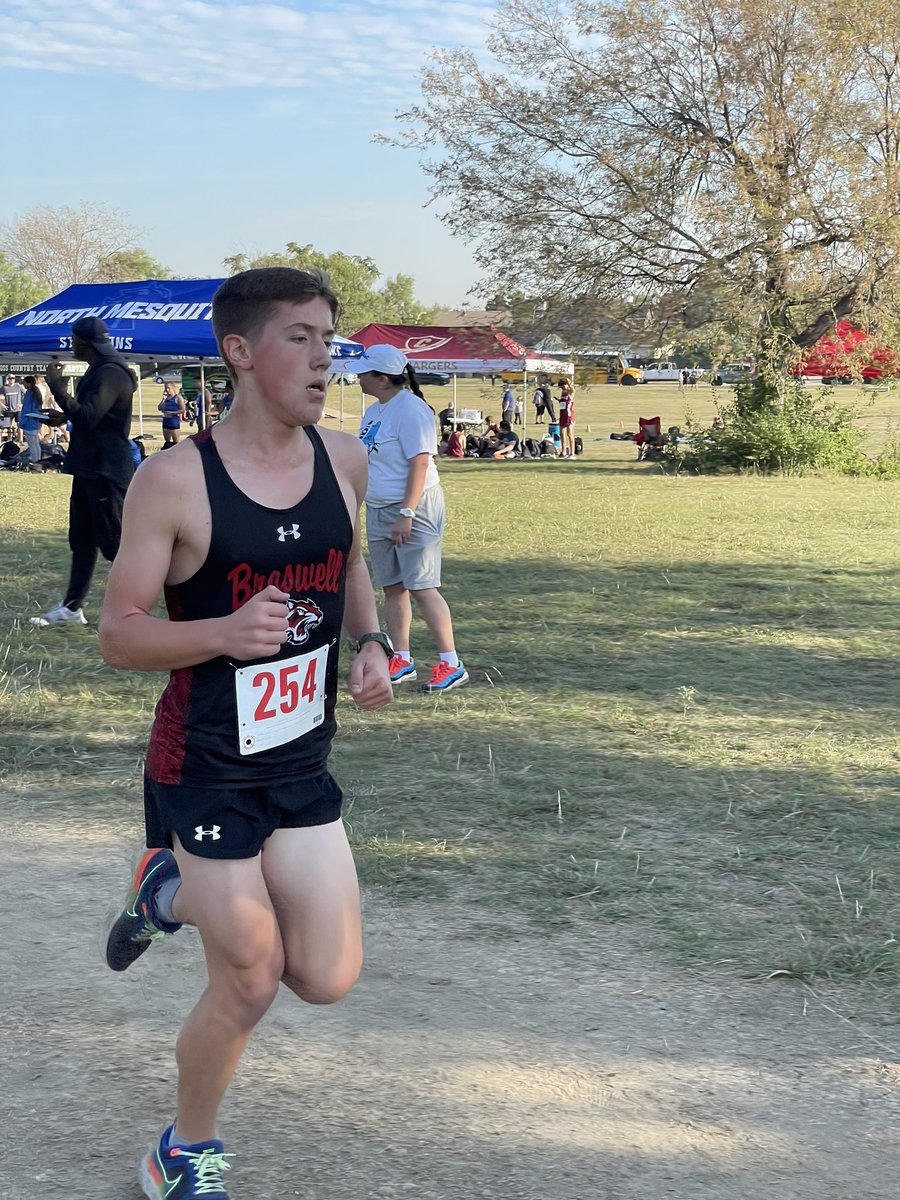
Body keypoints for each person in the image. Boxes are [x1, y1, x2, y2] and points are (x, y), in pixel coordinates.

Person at [99, 267, 393, 1200]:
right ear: (240, 352)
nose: (325, 358)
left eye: (329, 339)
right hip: (206, 767)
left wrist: (373, 641)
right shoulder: (175, 479)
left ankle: (164, 885)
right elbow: (119, 633)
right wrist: (223, 634)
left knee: (329, 975)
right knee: (253, 976)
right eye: (301, 338)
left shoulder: (343, 458)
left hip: (301, 761)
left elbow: (344, 562)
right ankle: (182, 1153)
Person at [357, 344, 468, 693]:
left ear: (382, 378)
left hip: (413, 508)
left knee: (422, 586)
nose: (357, 377)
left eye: (364, 371)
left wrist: (406, 512)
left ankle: (451, 662)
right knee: (392, 586)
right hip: (380, 507)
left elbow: (420, 462)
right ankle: (401, 658)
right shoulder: (374, 411)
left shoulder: (411, 410)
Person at [31, 317, 136, 627]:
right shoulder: (101, 370)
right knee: (82, 538)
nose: (71, 345)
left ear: (83, 343)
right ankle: (71, 607)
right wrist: (63, 417)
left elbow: (89, 417)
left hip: (105, 469)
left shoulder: (111, 373)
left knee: (113, 543)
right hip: (90, 468)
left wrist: (57, 389)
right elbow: (95, 416)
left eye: (74, 340)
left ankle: (137, 610)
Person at [18, 375, 45, 465]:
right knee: (36, 443)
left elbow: (26, 409)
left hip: (29, 421)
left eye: (24, 382)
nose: (23, 384)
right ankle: (38, 460)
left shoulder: (29, 393)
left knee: (32, 445)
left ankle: (35, 462)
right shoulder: (37, 392)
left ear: (28, 383)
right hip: (36, 420)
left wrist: (22, 422)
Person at [158, 382, 187, 446]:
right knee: (167, 442)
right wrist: (163, 399)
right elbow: (159, 408)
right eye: (166, 388)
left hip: (174, 422)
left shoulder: (178, 397)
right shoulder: (166, 398)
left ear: (173, 388)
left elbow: (183, 409)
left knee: (175, 442)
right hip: (166, 421)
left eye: (168, 388)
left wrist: (173, 413)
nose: (167, 390)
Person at [1, 373, 24, 442]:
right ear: (8, 379)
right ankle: (9, 439)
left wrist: (22, 403)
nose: (12, 380)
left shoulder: (18, 386)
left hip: (18, 410)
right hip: (8, 410)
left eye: (13, 378)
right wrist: (2, 405)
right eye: (10, 379)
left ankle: (21, 440)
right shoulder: (4, 388)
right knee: (8, 426)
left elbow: (26, 393)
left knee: (20, 425)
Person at [558, 381, 576, 458]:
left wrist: (569, 383)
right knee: (562, 434)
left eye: (563, 386)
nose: (562, 388)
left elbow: (572, 390)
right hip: (562, 415)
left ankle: (572, 453)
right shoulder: (563, 393)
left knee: (569, 434)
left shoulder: (570, 391)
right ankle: (563, 451)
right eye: (561, 387)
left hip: (569, 415)